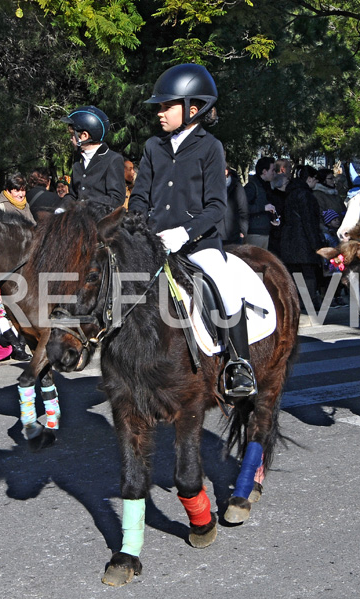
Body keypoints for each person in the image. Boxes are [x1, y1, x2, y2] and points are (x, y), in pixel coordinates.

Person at [127, 62, 257, 397]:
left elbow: (216, 206)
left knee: (225, 287)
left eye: (167, 106)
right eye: (159, 107)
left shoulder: (210, 147)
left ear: (192, 108)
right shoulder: (153, 147)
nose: (160, 113)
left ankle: (239, 364)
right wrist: (138, 226)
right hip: (154, 241)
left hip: (198, 242)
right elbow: (140, 195)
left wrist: (184, 232)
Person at [61, 105, 126, 211]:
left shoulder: (113, 159)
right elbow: (73, 194)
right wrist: (62, 207)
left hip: (101, 220)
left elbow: (116, 199)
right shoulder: (78, 158)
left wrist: (85, 204)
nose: (70, 139)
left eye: (72, 134)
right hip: (78, 219)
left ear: (84, 136)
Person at [279, 165, 324, 311]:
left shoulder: (289, 193)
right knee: (308, 272)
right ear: (309, 178)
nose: (316, 183)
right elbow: (309, 220)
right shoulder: (306, 195)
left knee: (295, 272)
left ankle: (296, 301)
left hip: (289, 239)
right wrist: (316, 244)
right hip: (303, 239)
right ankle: (309, 301)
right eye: (315, 179)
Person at [0, 275, 31, 360]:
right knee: (2, 321)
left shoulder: (7, 298)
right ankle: (18, 350)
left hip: (7, 331)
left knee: (20, 321)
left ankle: (20, 350)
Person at [244, 156, 278, 248]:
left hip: (265, 231)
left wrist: (274, 218)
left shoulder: (267, 187)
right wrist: (263, 208)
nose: (274, 173)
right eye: (272, 170)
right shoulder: (252, 186)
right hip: (254, 233)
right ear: (264, 171)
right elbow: (243, 207)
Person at [221, 165, 248, 244]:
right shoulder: (211, 185)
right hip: (215, 235)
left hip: (233, 235)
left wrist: (243, 230)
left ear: (226, 171)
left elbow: (243, 210)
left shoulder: (237, 186)